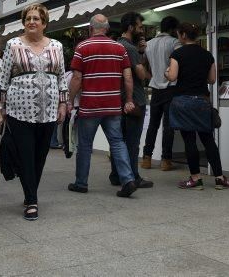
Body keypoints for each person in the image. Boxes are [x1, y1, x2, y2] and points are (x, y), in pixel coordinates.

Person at [0, 5, 68, 220]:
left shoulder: (56, 45)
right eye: (28, 18)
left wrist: (63, 105)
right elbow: (3, 80)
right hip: (20, 110)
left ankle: (30, 194)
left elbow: (62, 78)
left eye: (36, 18)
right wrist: (0, 109)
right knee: (26, 155)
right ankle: (32, 200)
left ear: (44, 23)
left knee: (40, 156)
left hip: (49, 111)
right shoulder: (13, 44)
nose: (31, 22)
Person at [67, 14, 138, 198]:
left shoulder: (82, 47)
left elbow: (76, 78)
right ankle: (128, 179)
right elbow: (128, 77)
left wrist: (69, 101)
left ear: (91, 29)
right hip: (113, 105)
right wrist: (129, 100)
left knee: (85, 145)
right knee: (117, 142)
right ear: (106, 29)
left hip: (90, 105)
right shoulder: (119, 47)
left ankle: (81, 183)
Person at [166, 22, 229, 190]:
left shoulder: (177, 54)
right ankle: (219, 178)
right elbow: (212, 80)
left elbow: (172, 76)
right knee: (208, 139)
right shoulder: (207, 55)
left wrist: (166, 72)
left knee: (189, 140)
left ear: (182, 35)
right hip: (202, 101)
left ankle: (195, 178)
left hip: (183, 101)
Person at [109, 12, 154, 189]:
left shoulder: (116, 46)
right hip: (134, 100)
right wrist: (142, 53)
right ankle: (132, 176)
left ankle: (116, 174)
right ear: (130, 28)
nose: (142, 30)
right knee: (132, 142)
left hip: (117, 100)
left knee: (118, 141)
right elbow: (142, 75)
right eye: (140, 27)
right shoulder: (130, 48)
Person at [142, 15, 180, 171]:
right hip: (171, 87)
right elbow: (180, 61)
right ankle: (166, 160)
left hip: (155, 88)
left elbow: (142, 65)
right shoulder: (174, 42)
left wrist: (152, 77)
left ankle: (146, 159)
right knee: (168, 126)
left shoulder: (148, 44)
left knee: (153, 125)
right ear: (172, 29)